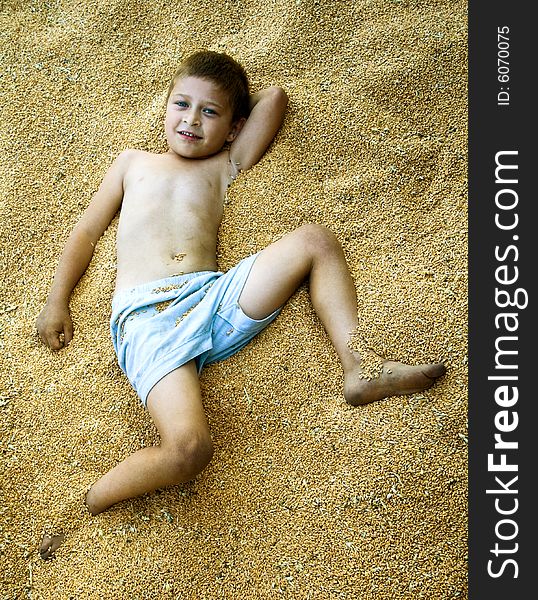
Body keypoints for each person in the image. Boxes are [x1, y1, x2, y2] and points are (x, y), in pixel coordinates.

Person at [36, 51, 445, 559]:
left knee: (316, 239)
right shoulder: (132, 163)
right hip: (149, 316)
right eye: (181, 104)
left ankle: (360, 365)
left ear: (233, 128)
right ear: (164, 108)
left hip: (212, 295)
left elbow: (275, 100)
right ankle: (90, 503)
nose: (190, 119)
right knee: (191, 450)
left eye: (210, 112)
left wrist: (238, 115)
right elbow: (87, 230)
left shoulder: (225, 165)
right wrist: (58, 299)